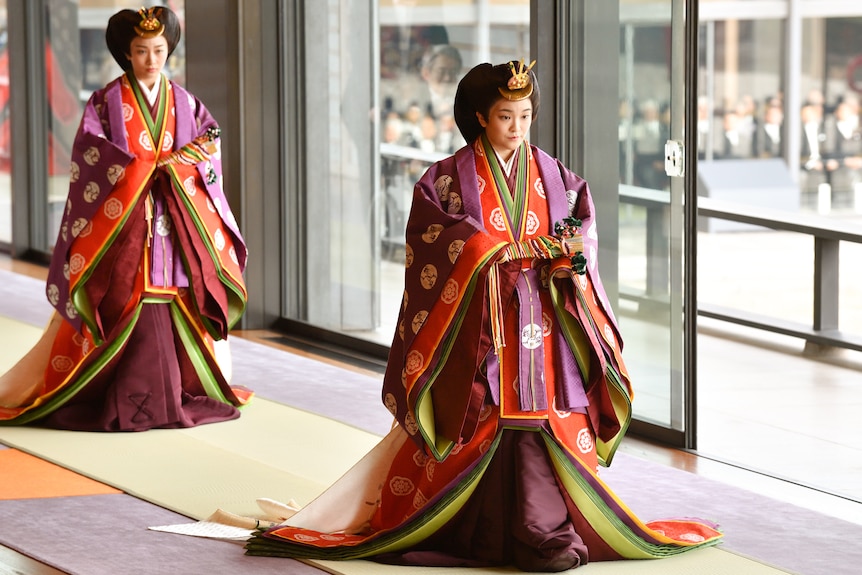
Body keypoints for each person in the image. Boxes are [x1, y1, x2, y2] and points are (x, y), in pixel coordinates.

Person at [243, 60, 721, 571]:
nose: (516, 128)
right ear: (480, 118)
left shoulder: (556, 177)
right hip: (479, 327)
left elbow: (580, 231)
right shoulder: (447, 180)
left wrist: (568, 256)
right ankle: (469, 529)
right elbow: (431, 237)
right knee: (479, 419)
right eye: (504, 117)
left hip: (543, 321)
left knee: (547, 421)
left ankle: (547, 531)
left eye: (524, 115)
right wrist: (491, 252)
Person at [0, 6, 250, 431]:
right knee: (121, 301)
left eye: (158, 50)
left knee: (174, 300)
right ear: (126, 54)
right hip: (125, 228)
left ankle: (174, 394)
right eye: (141, 51)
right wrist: (142, 170)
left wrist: (181, 165)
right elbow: (91, 157)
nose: (152, 60)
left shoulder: (186, 104)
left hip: (173, 224)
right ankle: (111, 393)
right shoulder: (105, 104)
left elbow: (209, 146)